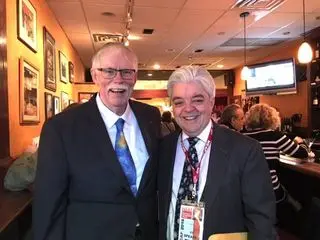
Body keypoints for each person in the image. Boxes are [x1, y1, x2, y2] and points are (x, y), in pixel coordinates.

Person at [33, 42, 161, 240]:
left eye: (126, 72)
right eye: (109, 71)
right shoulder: (61, 128)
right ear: (95, 75)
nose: (118, 79)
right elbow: (49, 203)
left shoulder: (150, 116)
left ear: (135, 77)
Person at [158, 66, 276, 240]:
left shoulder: (245, 150)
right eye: (179, 102)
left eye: (197, 100)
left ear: (211, 102)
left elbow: (261, 221)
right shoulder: (163, 148)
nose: (188, 109)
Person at [243, 103, 309, 234]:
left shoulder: (242, 136)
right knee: (298, 198)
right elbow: (302, 153)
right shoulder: (275, 137)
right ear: (272, 119)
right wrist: (300, 141)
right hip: (269, 191)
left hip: (244, 191)